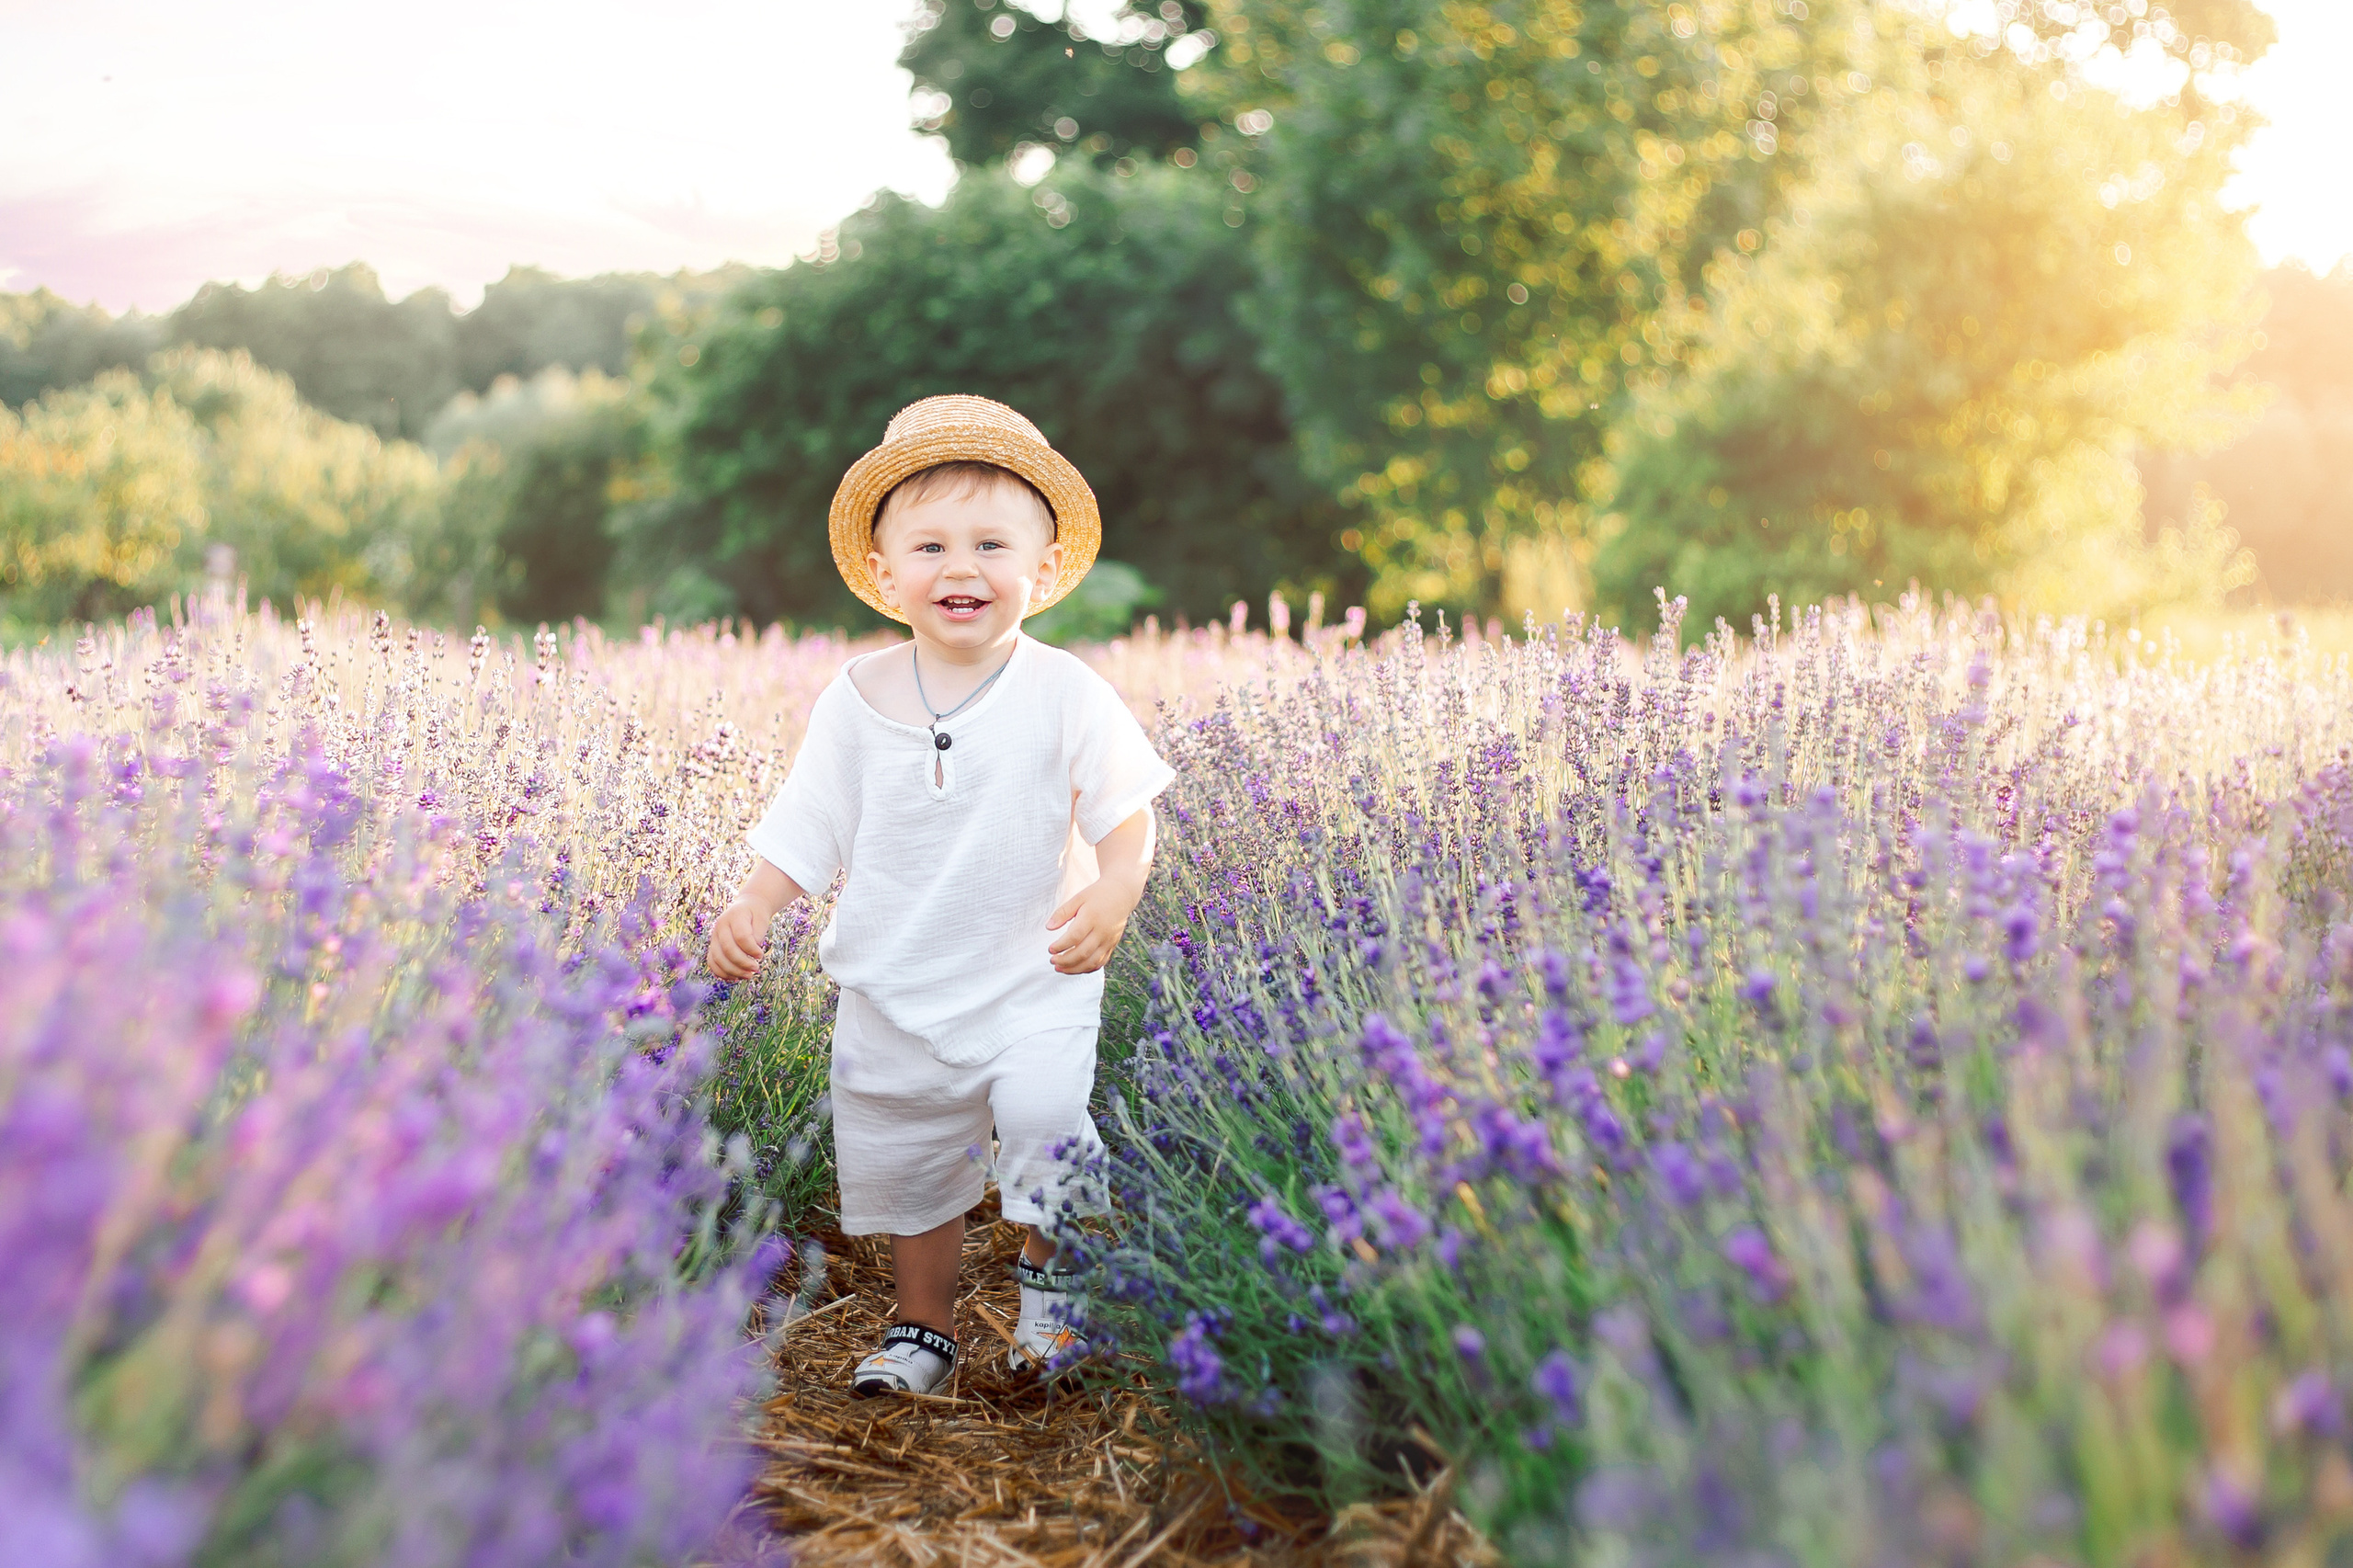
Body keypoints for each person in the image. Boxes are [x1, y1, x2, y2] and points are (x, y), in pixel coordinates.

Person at [705, 395, 1173, 1397]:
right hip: (894, 978)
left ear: (1042, 570)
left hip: (1031, 973)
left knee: (1047, 1116)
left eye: (991, 544)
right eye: (929, 545)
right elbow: (808, 818)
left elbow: (1126, 808)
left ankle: (1054, 1285)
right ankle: (924, 1327)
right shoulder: (855, 695)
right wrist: (754, 900)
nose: (961, 568)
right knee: (912, 1156)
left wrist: (1118, 887)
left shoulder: (1066, 691)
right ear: (884, 574)